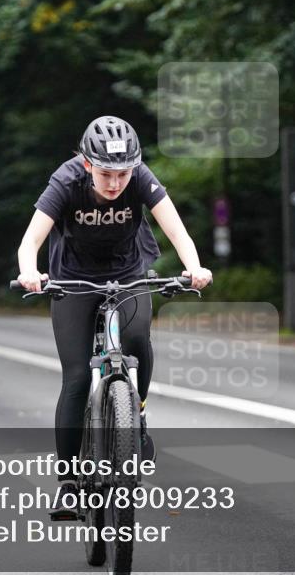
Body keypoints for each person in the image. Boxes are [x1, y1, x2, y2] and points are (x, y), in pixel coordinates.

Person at [15, 115, 212, 519]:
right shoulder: (66, 180)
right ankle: (69, 483)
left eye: (123, 174)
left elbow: (177, 231)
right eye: (106, 174)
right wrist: (30, 272)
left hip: (128, 274)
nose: (115, 184)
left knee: (139, 340)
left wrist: (195, 267)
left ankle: (134, 415)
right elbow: (31, 239)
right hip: (73, 281)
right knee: (75, 378)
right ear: (87, 165)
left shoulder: (140, 177)